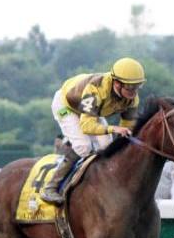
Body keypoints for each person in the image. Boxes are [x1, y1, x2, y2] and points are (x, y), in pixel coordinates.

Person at [42, 57, 146, 205]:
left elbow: (128, 127)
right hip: (66, 107)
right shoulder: (96, 89)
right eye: (130, 87)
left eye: (137, 86)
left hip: (91, 111)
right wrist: (112, 128)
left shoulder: (132, 98)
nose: (133, 92)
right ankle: (50, 187)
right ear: (117, 83)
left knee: (106, 147)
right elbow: (86, 126)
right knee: (84, 147)